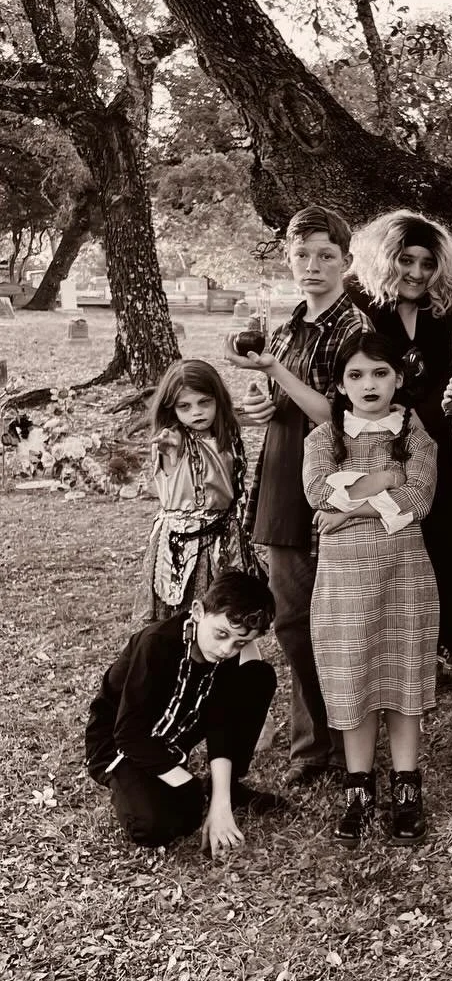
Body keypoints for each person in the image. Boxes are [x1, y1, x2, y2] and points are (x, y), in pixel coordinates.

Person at [228, 206, 368, 788]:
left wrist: (278, 374)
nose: (311, 266)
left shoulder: (353, 328)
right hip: (283, 479)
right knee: (290, 622)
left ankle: (339, 746)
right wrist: (261, 403)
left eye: (325, 256)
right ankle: (312, 745)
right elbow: (286, 404)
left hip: (332, 486)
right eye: (301, 255)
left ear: (347, 262)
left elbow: (343, 413)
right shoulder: (288, 325)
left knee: (329, 622)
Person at [303, 330, 440, 846]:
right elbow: (319, 495)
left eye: (380, 373)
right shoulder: (324, 437)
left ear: (398, 379)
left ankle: (407, 790)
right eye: (356, 375)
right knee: (354, 677)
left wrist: (353, 505)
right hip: (343, 581)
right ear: (340, 383)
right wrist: (383, 481)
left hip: (404, 574)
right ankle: (358, 790)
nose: (369, 384)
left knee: (402, 678)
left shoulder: (415, 433)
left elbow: (420, 498)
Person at [348, 210, 452, 681]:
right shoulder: (359, 301)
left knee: (450, 532)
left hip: (445, 437)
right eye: (407, 260)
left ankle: (448, 635)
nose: (418, 273)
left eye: (428, 263)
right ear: (388, 260)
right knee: (397, 532)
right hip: (384, 437)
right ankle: (397, 635)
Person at [85, 570, 280, 854]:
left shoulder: (225, 652)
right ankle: (147, 787)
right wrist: (187, 786)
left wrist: (220, 801)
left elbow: (221, 721)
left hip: (174, 737)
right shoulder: (157, 644)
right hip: (122, 745)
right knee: (154, 825)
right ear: (199, 611)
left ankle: (224, 787)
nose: (227, 649)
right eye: (222, 634)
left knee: (257, 676)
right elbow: (128, 734)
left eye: (239, 642)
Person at [132, 360, 257, 628]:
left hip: (223, 538)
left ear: (218, 401)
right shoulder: (173, 440)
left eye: (204, 403)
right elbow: (170, 450)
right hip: (184, 542)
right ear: (171, 409)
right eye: (184, 406)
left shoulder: (227, 437)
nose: (197, 413)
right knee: (184, 609)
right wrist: (170, 449)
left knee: (226, 611)